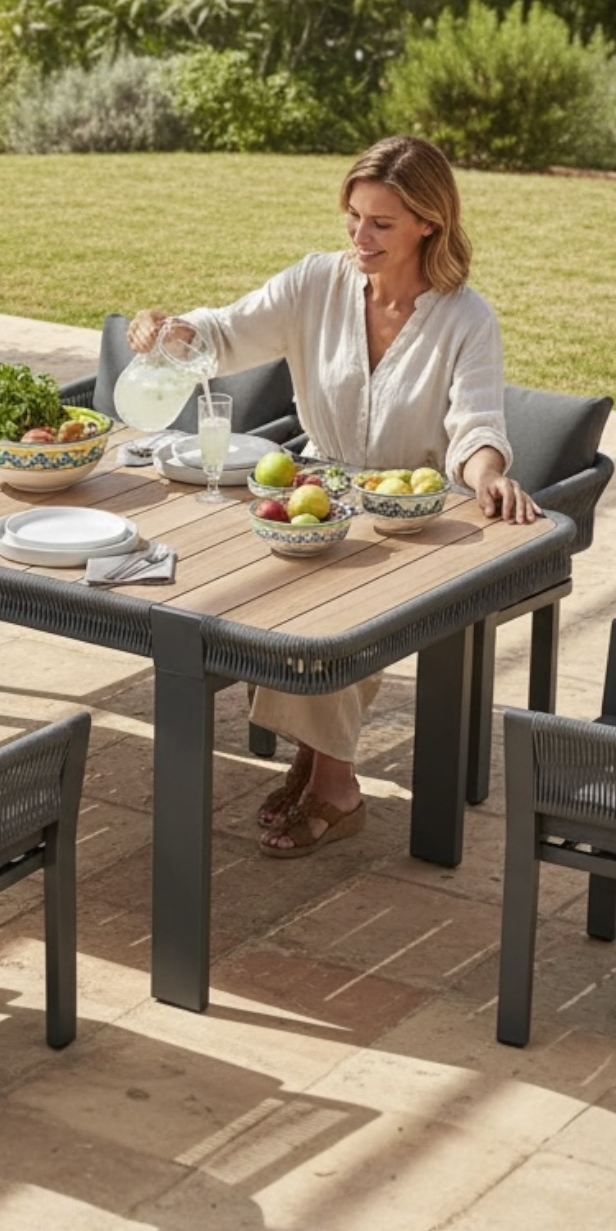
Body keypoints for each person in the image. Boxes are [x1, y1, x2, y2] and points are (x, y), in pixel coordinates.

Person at [129, 134, 540, 858]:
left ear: (428, 223)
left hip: (411, 519)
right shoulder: (316, 282)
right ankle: (319, 761)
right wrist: (173, 329)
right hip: (318, 493)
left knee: (332, 616)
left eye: (381, 223)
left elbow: (475, 424)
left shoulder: (466, 318)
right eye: (353, 216)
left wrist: (487, 476)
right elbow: (224, 333)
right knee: (272, 595)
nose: (360, 236)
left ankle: (335, 783)